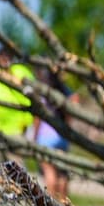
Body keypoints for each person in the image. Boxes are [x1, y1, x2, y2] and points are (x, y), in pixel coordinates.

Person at [31, 66, 74, 199]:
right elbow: (70, 112)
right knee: (62, 174)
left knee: (49, 173)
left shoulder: (42, 92)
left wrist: (34, 136)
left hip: (45, 138)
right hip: (61, 138)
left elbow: (37, 118)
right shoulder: (63, 91)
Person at [0, 47, 35, 139]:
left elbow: (29, 98)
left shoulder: (20, 71)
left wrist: (26, 121)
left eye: (7, 55)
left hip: (20, 127)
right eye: (1, 55)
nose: (4, 58)